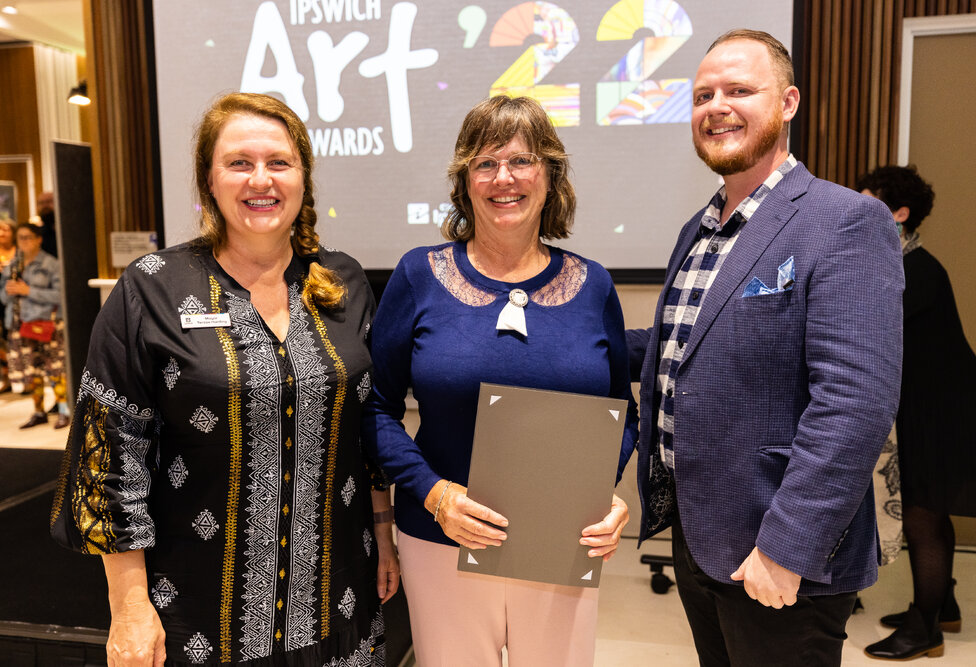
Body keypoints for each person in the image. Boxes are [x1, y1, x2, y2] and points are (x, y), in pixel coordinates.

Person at [50, 92, 399, 666]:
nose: (260, 179)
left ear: (303, 177)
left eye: (279, 162)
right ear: (209, 181)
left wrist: (383, 533)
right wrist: (129, 607)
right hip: (200, 616)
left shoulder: (344, 281)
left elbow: (364, 431)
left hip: (340, 603)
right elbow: (110, 456)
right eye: (239, 162)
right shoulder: (152, 288)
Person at [625, 30, 903, 666]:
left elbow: (854, 402)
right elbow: (680, 348)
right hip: (700, 533)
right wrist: (569, 333)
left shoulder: (844, 221)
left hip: (778, 547)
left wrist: (786, 547)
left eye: (739, 90)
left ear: (788, 103)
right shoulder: (698, 230)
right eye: (702, 95)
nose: (716, 106)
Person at [364, 95, 636, 667]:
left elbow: (622, 414)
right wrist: (436, 496)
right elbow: (376, 410)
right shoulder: (419, 275)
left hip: (560, 542)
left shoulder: (593, 286)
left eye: (522, 161)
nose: (503, 178)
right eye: (485, 163)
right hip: (441, 539)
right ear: (464, 181)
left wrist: (600, 495)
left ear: (551, 175)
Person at [857, 165, 976, 661]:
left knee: (923, 517)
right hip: (937, 408)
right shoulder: (902, 261)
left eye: (870, 201)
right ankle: (944, 606)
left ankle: (925, 629)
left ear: (899, 213)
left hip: (943, 414)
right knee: (932, 515)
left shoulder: (915, 269)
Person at [0, 222, 69, 427]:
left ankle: (64, 411)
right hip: (19, 326)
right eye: (20, 238)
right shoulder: (14, 265)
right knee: (32, 371)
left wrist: (28, 291)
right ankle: (39, 412)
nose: (24, 242)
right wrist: (9, 291)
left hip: (46, 324)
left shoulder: (50, 264)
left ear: (39, 239)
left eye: (28, 237)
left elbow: (60, 295)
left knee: (55, 370)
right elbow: (3, 297)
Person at [0, 218, 16, 393]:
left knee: (11, 339)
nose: (1, 233)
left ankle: (19, 376)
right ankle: (6, 377)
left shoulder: (18, 252)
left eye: (5, 229)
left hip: (12, 302)